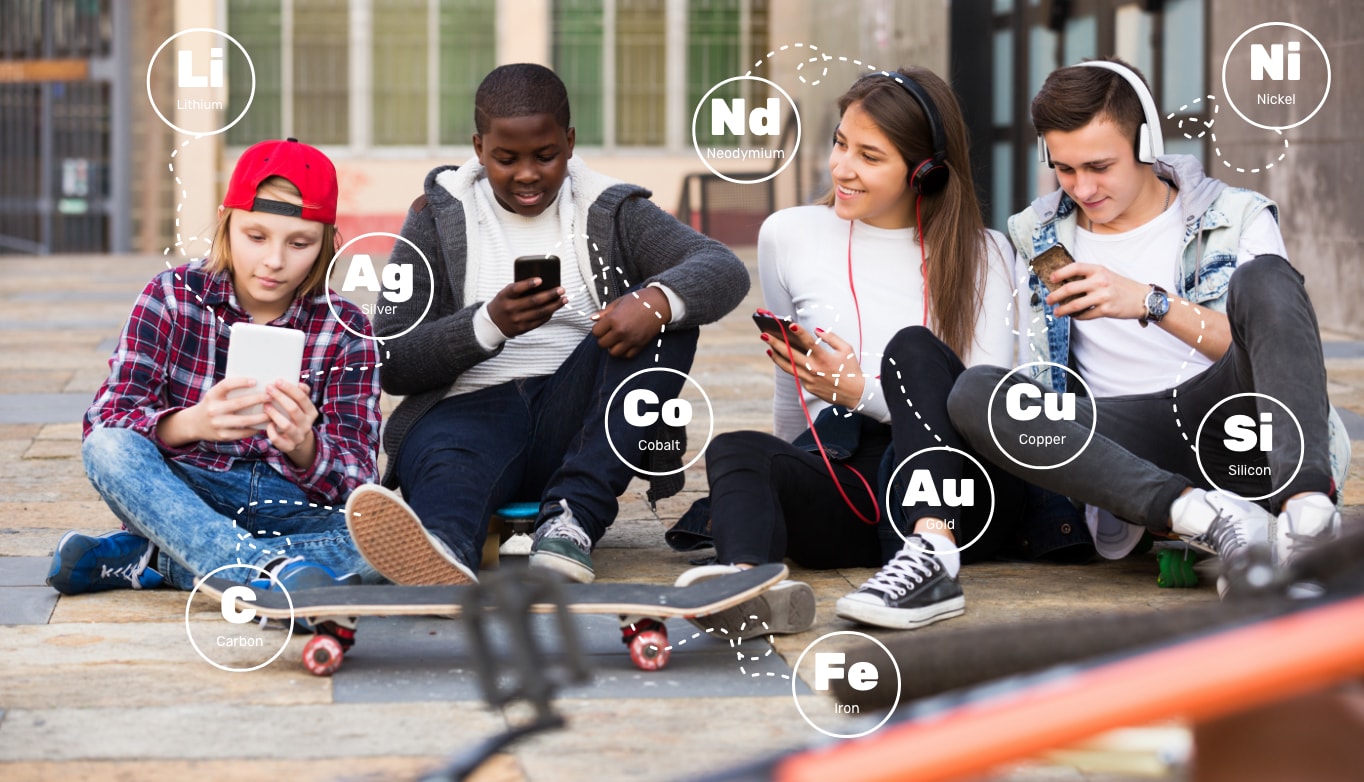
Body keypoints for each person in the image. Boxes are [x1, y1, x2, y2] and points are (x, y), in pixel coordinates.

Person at [946, 58, 1350, 595]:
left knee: (1267, 278)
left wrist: (1149, 303)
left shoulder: (1237, 217)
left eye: (1099, 166)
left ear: (1147, 143)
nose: (1082, 187)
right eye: (1065, 169)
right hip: (1126, 447)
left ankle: (1307, 522)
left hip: (1238, 422)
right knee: (976, 393)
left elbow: (1274, 354)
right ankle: (1208, 518)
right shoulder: (1034, 234)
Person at [344, 63, 748, 586]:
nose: (528, 174)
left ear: (571, 142)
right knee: (450, 485)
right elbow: (392, 358)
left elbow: (722, 267)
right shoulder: (433, 217)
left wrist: (653, 302)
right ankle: (438, 550)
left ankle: (571, 521)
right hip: (466, 418)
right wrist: (487, 324)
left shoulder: (612, 209)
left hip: (577, 421)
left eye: (546, 155)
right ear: (477, 147)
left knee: (667, 317)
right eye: (505, 159)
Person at [677, 67, 1030, 635]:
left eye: (869, 155)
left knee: (912, 350)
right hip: (857, 484)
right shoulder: (788, 235)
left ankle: (931, 560)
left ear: (925, 171)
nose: (842, 167)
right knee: (739, 452)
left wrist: (857, 390)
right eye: (841, 143)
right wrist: (791, 461)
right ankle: (746, 585)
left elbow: (984, 412)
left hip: (965, 492)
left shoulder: (985, 253)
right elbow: (791, 388)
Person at [48, 139, 383, 612]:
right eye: (256, 236)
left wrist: (304, 446)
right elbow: (107, 421)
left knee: (389, 542)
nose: (273, 261)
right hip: (185, 487)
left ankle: (161, 559)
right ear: (227, 224)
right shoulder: (171, 296)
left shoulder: (348, 330)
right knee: (107, 448)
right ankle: (266, 573)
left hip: (287, 507)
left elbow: (360, 478)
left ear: (326, 244)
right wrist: (192, 424)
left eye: (299, 244)